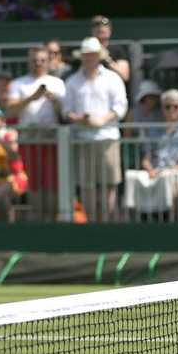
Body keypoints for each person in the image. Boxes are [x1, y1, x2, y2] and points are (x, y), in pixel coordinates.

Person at [63, 37, 128, 222]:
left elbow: (120, 107)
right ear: (82, 57)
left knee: (109, 184)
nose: (89, 58)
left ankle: (107, 223)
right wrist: (78, 119)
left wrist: (101, 120)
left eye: (93, 55)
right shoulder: (72, 81)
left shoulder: (112, 78)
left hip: (107, 138)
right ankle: (91, 223)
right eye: (86, 55)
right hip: (82, 139)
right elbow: (66, 111)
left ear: (99, 56)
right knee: (86, 186)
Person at [7, 47, 66, 222]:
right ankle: (37, 220)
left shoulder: (58, 83)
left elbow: (65, 113)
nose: (38, 63)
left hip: (53, 142)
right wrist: (32, 97)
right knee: (33, 183)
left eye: (41, 60)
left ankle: (53, 221)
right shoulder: (18, 84)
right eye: (34, 60)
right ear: (29, 62)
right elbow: (10, 111)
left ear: (48, 62)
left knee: (53, 184)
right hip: (28, 141)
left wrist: (54, 101)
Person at [124, 89, 178, 221]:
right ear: (162, 108)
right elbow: (146, 158)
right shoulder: (152, 129)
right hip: (154, 170)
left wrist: (172, 169)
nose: (171, 110)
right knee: (132, 176)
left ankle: (172, 221)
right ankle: (135, 221)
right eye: (167, 106)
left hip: (176, 171)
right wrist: (150, 170)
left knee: (168, 178)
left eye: (176, 106)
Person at [90, 15, 130, 83]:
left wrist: (105, 59)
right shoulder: (86, 50)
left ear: (110, 31)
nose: (100, 28)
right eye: (97, 26)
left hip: (111, 85)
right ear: (92, 31)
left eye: (105, 26)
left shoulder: (117, 49)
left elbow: (125, 76)